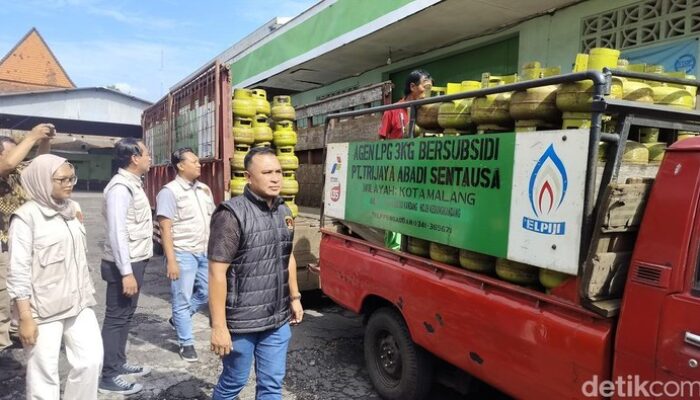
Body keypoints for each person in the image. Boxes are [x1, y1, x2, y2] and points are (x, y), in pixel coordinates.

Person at [209, 146, 304, 400]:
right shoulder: (231, 214)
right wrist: (219, 326)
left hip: (277, 319)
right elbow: (217, 273)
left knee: (272, 385)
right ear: (249, 177)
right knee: (233, 383)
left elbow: (288, 255)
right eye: (267, 172)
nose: (275, 178)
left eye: (279, 172)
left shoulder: (284, 211)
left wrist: (294, 297)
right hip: (242, 322)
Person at [8, 155, 102, 399]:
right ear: (41, 181)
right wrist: (26, 317)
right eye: (62, 179)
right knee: (44, 377)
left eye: (72, 178)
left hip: (79, 303)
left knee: (90, 361)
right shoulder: (25, 217)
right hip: (43, 310)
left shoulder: (72, 210)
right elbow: (18, 271)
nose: (69, 183)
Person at [98, 138, 153, 395]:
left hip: (134, 261)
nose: (150, 158)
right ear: (134, 158)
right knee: (115, 319)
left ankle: (118, 363)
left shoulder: (132, 184)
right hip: (124, 264)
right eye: (147, 154)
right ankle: (108, 375)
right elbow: (117, 233)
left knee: (125, 317)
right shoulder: (120, 188)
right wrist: (126, 272)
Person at [156, 147, 215, 362]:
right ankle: (186, 342)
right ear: (181, 165)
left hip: (204, 251)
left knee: (208, 293)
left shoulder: (204, 190)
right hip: (183, 254)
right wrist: (171, 260)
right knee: (181, 298)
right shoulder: (169, 192)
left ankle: (179, 319)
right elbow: (165, 228)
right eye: (194, 161)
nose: (199, 164)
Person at [0, 123, 54, 352]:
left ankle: (15, 330)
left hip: (22, 244)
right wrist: (32, 136)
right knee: (2, 300)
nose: (17, 157)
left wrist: (44, 141)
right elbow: (8, 164)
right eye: (11, 151)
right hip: (3, 246)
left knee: (23, 292)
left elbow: (40, 166)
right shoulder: (6, 168)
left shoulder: (18, 171)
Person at [378, 69, 433, 249]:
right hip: (396, 171)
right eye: (424, 85)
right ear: (412, 87)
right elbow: (382, 142)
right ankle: (394, 249)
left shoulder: (427, 111)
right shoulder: (393, 111)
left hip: (419, 171)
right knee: (395, 210)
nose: (427, 89)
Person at [378, 69, 433, 140]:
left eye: (429, 89)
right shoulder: (391, 111)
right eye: (425, 87)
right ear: (412, 87)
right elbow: (381, 139)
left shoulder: (427, 111)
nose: (427, 92)